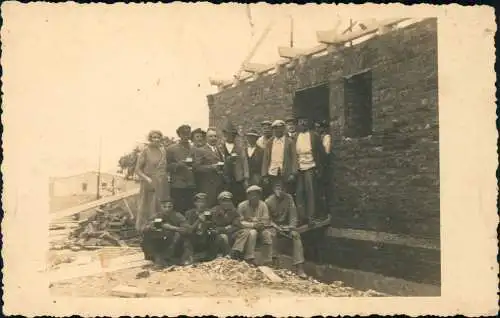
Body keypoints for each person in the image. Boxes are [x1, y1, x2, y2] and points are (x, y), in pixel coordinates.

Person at [265, 180, 306, 278]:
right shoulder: (268, 201)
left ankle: (299, 266)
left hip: (286, 227)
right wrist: (275, 226)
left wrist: (291, 227)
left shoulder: (289, 198)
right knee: (270, 234)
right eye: (277, 188)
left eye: (282, 188)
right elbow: (267, 219)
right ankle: (273, 262)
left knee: (296, 236)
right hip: (273, 226)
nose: (279, 191)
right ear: (274, 190)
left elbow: (293, 215)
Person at [294, 116, 327, 226]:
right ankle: (302, 217)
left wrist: (319, 169)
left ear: (307, 123)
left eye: (304, 121)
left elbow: (321, 154)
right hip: (299, 168)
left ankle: (311, 217)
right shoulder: (296, 136)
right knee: (299, 192)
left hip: (311, 166)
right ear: (297, 124)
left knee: (311, 192)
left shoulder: (314, 136)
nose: (302, 124)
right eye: (300, 122)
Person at [141, 199, 194, 266]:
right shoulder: (157, 216)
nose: (167, 209)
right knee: (147, 236)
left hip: (175, 240)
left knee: (183, 238)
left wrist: (174, 228)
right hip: (161, 240)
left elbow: (187, 228)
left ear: (173, 207)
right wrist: (150, 227)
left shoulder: (177, 215)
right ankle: (156, 257)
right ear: (161, 207)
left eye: (169, 206)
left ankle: (179, 258)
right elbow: (144, 228)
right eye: (164, 207)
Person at [135, 130, 169, 232]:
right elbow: (137, 170)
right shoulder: (146, 151)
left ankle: (157, 228)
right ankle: (144, 229)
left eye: (158, 137)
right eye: (154, 137)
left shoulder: (163, 150)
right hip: (148, 183)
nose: (156, 139)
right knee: (147, 206)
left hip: (161, 182)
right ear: (150, 139)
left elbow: (164, 167)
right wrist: (147, 179)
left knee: (158, 206)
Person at [185, 193, 231, 261]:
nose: (202, 204)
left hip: (205, 237)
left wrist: (206, 223)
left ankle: (212, 257)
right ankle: (189, 257)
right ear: (195, 203)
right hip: (194, 237)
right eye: (199, 202)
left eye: (204, 202)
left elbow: (211, 227)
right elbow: (189, 230)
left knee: (219, 237)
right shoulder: (190, 213)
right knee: (187, 237)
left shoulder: (209, 213)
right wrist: (199, 220)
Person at [234, 185, 273, 265]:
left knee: (267, 234)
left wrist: (261, 224)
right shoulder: (242, 205)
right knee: (253, 232)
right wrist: (252, 225)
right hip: (246, 229)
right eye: (251, 195)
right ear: (248, 196)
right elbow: (239, 222)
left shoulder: (263, 205)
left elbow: (266, 219)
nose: (254, 197)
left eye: (256, 195)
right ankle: (249, 257)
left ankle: (268, 260)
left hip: (260, 228)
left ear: (259, 196)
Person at [261, 120, 298, 198]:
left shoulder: (289, 142)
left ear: (283, 129)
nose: (277, 130)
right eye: (275, 128)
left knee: (286, 194)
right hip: (272, 172)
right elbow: (266, 159)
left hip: (285, 173)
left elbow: (294, 158)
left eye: (280, 128)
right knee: (274, 194)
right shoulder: (270, 142)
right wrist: (264, 175)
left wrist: (293, 173)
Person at [166, 125, 197, 214]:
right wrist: (178, 165)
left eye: (188, 133)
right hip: (178, 185)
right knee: (179, 209)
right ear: (179, 135)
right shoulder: (171, 149)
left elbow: (198, 164)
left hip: (192, 183)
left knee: (191, 209)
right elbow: (166, 166)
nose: (186, 136)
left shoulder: (194, 148)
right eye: (183, 133)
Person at [218, 121, 249, 205]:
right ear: (225, 134)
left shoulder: (239, 148)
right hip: (225, 178)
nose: (231, 136)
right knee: (225, 198)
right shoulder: (220, 147)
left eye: (233, 134)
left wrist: (246, 178)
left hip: (237, 178)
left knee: (238, 199)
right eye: (228, 134)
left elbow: (244, 162)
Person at [192, 128, 225, 207]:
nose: (213, 138)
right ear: (206, 138)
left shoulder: (218, 149)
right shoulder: (200, 150)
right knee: (208, 206)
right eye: (210, 136)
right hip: (207, 185)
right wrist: (212, 167)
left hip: (219, 183)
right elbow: (196, 168)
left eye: (215, 136)